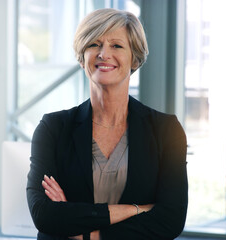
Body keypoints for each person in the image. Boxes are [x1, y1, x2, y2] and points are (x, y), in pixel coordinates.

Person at [26, 8, 188, 240]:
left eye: (117, 46)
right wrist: (137, 210)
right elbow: (44, 215)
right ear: (82, 58)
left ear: (134, 57)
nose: (104, 54)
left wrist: (86, 233)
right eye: (94, 44)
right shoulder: (53, 128)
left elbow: (170, 220)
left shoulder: (165, 131)